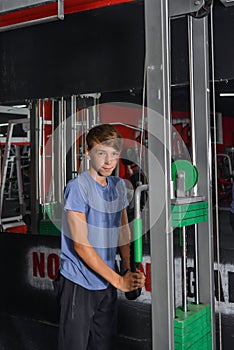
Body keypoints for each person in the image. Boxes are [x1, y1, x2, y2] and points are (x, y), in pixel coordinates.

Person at [54, 124, 145, 350]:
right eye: (101, 153)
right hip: (79, 281)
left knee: (102, 344)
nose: (108, 161)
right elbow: (81, 246)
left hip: (107, 279)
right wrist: (119, 281)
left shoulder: (118, 187)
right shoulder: (78, 188)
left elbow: (123, 230)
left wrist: (126, 268)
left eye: (114, 154)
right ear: (87, 153)